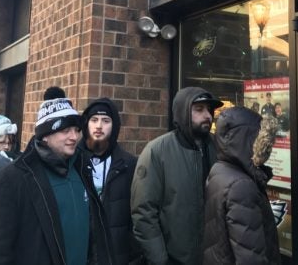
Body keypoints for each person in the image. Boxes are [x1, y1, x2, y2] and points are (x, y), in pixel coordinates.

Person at [0, 97, 113, 264]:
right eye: (65, 130)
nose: (74, 137)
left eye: (77, 129)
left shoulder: (81, 170)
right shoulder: (11, 179)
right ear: (45, 136)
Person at [131, 87, 223, 265]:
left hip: (213, 257)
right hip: (175, 258)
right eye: (199, 109)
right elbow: (144, 213)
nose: (208, 116)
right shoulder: (157, 151)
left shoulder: (218, 147)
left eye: (209, 110)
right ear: (182, 112)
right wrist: (160, 259)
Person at [203, 106, 280, 264]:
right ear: (246, 139)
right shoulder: (242, 185)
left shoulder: (221, 170)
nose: (268, 149)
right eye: (261, 140)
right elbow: (251, 257)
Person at [81, 98, 142, 265]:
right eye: (94, 120)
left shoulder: (129, 165)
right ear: (86, 124)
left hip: (116, 255)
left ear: (114, 126)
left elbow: (137, 216)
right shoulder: (73, 162)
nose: (99, 126)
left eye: (105, 121)